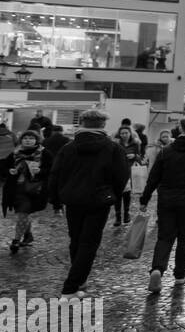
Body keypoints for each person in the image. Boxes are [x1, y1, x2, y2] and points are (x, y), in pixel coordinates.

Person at [47, 110, 130, 299]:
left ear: (82, 123)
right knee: (89, 243)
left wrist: (56, 201)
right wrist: (112, 195)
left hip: (73, 199)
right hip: (99, 200)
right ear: (102, 125)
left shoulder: (68, 148)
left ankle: (80, 279)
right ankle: (70, 288)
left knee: (76, 239)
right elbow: (122, 176)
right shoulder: (113, 148)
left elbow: (55, 174)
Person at [139, 116, 185, 295]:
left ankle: (157, 269)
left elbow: (154, 176)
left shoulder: (166, 150)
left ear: (180, 128)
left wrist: (145, 199)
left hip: (166, 198)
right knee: (184, 237)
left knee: (164, 236)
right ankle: (180, 275)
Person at [2, 130, 52, 254]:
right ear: (21, 140)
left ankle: (16, 240)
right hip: (17, 189)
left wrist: (40, 171)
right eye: (25, 138)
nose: (28, 140)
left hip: (35, 189)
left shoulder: (44, 153)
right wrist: (9, 170)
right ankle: (25, 236)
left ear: (36, 140)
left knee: (23, 213)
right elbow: (3, 167)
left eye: (31, 138)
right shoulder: (15, 153)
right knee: (23, 213)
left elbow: (52, 168)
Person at [112, 125, 142, 226]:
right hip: (118, 171)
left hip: (130, 172)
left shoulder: (135, 144)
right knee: (118, 194)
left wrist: (134, 156)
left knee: (127, 194)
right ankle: (118, 217)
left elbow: (139, 157)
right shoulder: (116, 144)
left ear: (130, 133)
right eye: (122, 133)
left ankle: (126, 214)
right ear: (119, 135)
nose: (124, 135)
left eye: (126, 133)